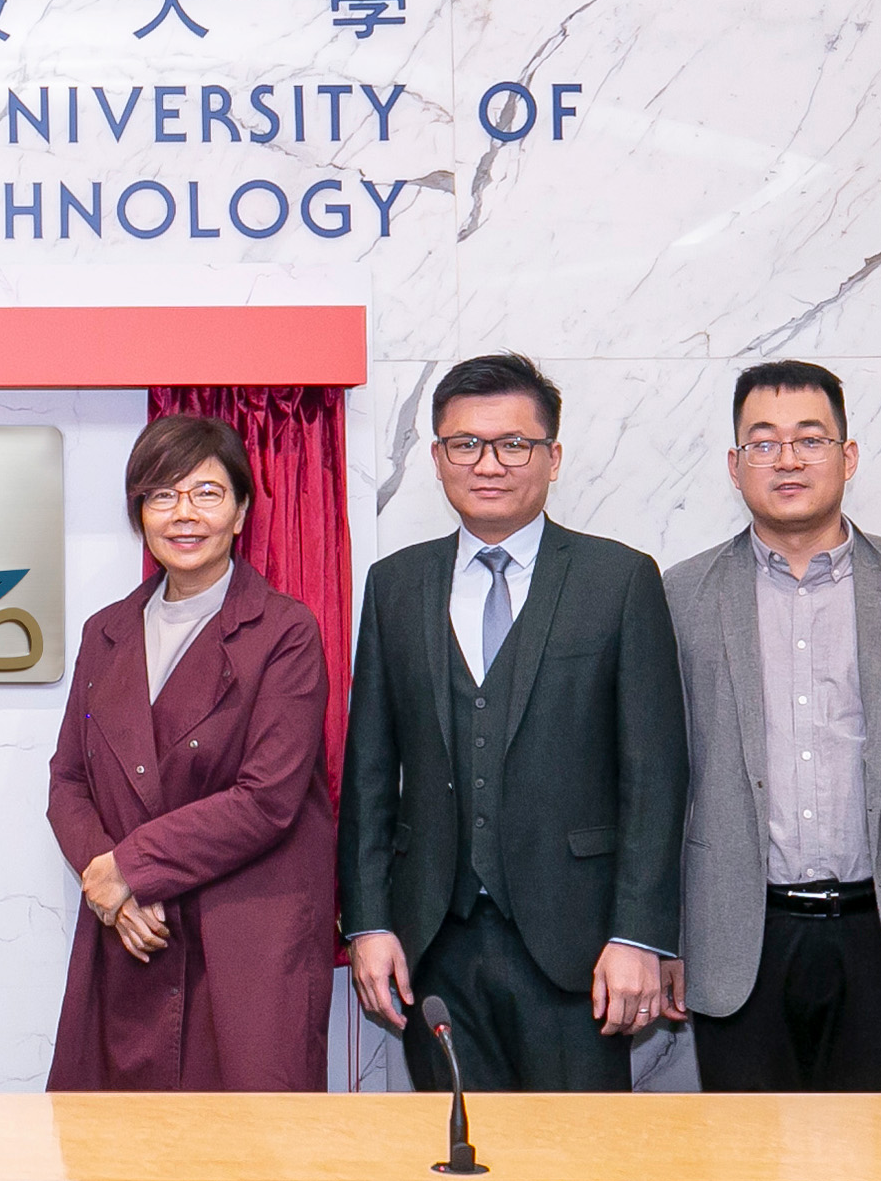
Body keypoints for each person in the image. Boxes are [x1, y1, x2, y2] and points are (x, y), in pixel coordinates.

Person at [338, 353, 685, 1092]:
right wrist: (367, 923)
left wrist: (638, 935)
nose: (488, 463)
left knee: (582, 1162)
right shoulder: (395, 585)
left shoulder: (618, 580)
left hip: (581, 949)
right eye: (465, 444)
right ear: (436, 457)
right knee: (455, 1150)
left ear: (552, 457)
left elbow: (654, 774)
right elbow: (368, 771)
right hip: (434, 942)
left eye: (514, 444)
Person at [655, 362, 881, 1090]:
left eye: (810, 439)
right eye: (764, 442)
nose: (787, 459)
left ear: (847, 457)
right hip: (738, 937)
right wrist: (663, 941)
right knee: (742, 1164)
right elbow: (660, 789)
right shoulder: (682, 596)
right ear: (734, 465)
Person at [43, 415, 335, 1091]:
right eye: (161, 495)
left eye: (206, 493)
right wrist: (111, 888)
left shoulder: (284, 632)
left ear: (241, 514)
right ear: (139, 514)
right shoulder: (106, 632)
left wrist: (132, 869)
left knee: (248, 1152)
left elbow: (267, 799)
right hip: (132, 938)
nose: (183, 514)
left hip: (244, 942)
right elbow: (68, 782)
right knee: (117, 1151)